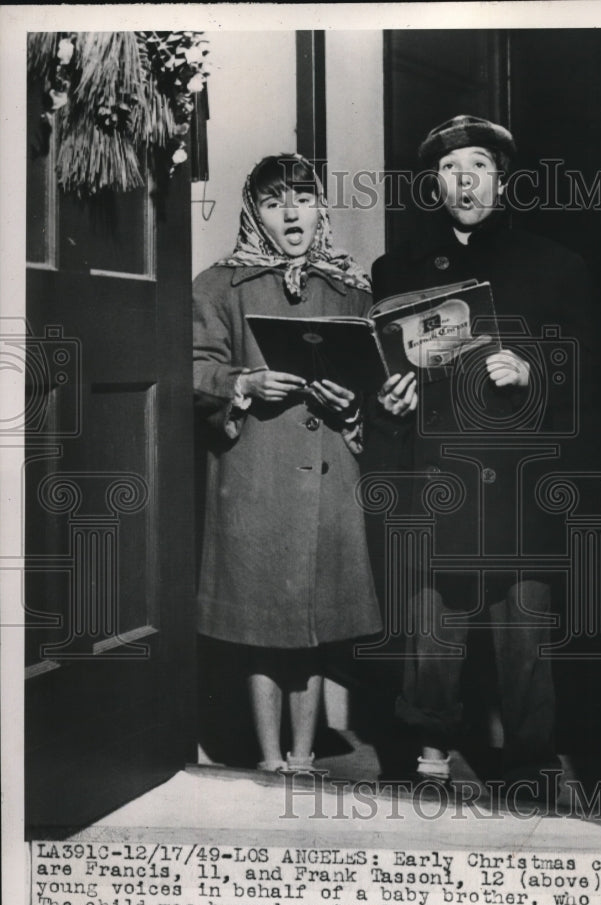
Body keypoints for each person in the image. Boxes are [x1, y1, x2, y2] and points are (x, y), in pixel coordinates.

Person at [365, 115, 596, 800]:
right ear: (433, 182)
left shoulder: (558, 267)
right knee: (435, 621)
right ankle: (430, 745)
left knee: (525, 626)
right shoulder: (395, 270)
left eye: (477, 166)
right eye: (448, 169)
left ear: (502, 177)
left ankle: (530, 759)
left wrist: (533, 375)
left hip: (520, 480)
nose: (463, 181)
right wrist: (393, 400)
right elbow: (383, 375)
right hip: (441, 477)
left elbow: (589, 377)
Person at [193, 153, 381, 774]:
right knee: (261, 620)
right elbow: (191, 368)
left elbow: (385, 379)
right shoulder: (220, 285)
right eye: (275, 202)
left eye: (302, 197)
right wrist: (245, 382)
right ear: (255, 213)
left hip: (330, 472)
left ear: (320, 205)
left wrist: (352, 399)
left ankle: (303, 757)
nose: (291, 211)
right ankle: (270, 757)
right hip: (256, 473)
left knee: (318, 623)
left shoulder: (352, 288)